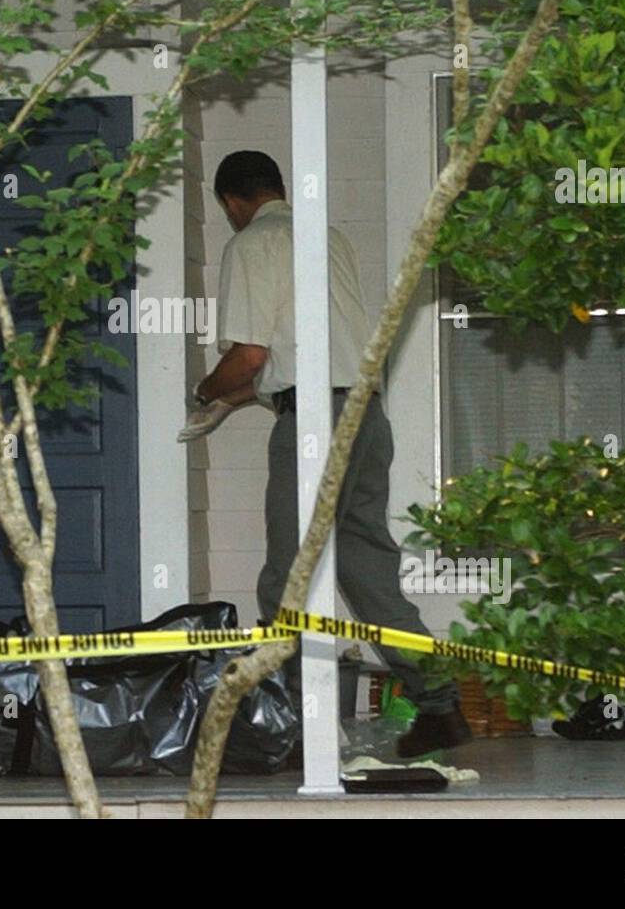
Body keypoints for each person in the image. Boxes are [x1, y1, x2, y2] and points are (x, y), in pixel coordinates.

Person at [189, 150, 471, 758]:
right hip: (364, 414)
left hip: (316, 423)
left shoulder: (252, 244)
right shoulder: (326, 237)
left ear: (231, 202)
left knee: (286, 581)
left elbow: (251, 358)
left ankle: (295, 729)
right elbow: (295, 361)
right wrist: (234, 402)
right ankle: (440, 706)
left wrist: (205, 391)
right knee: (368, 572)